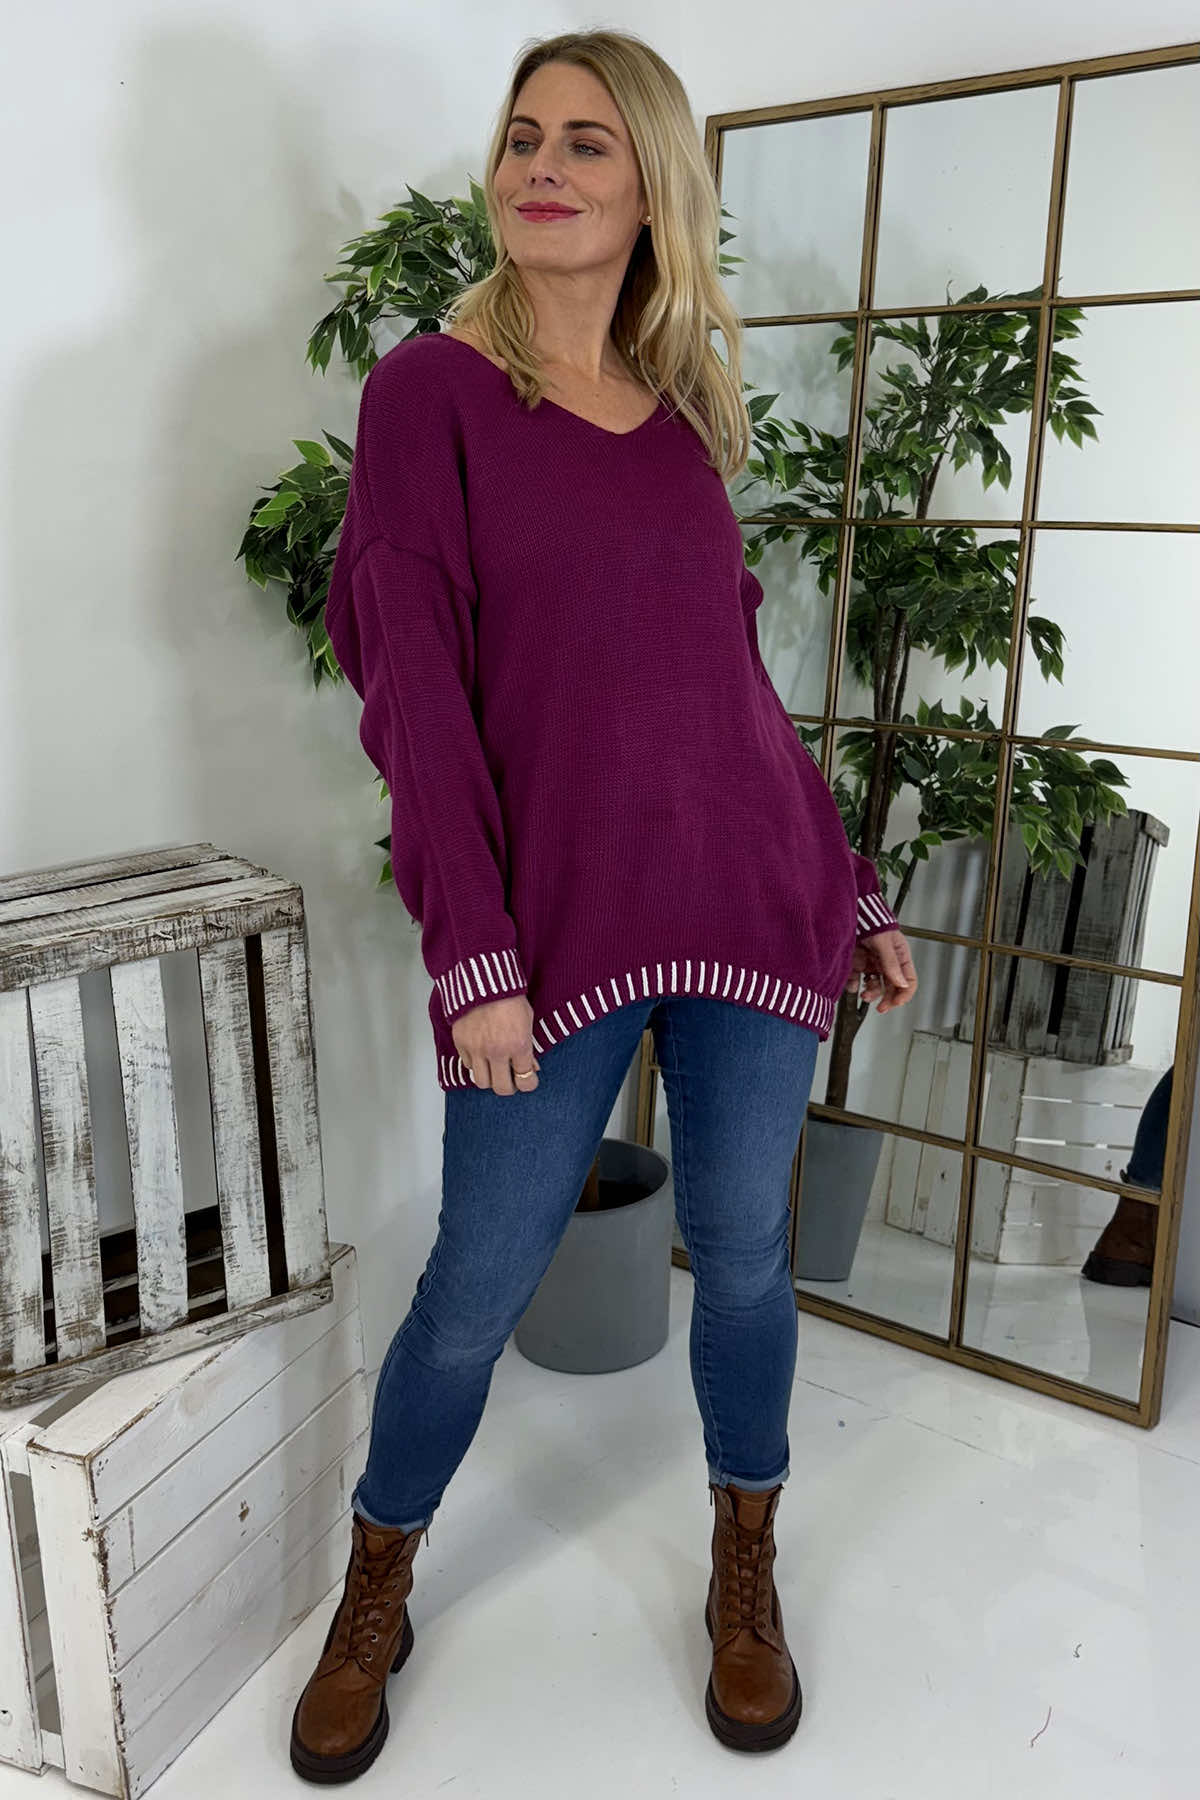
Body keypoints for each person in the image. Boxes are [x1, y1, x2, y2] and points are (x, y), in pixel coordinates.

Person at [291, 27, 918, 1782]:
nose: (541, 168)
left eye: (585, 142)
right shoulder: (431, 394)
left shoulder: (685, 418)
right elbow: (414, 690)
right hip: (547, 934)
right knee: (477, 1280)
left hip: (745, 902)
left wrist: (848, 880)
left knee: (745, 1256)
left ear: (653, 189)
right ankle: (378, 1581)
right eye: (520, 138)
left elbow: (730, 693)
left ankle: (744, 1567)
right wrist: (474, 949)